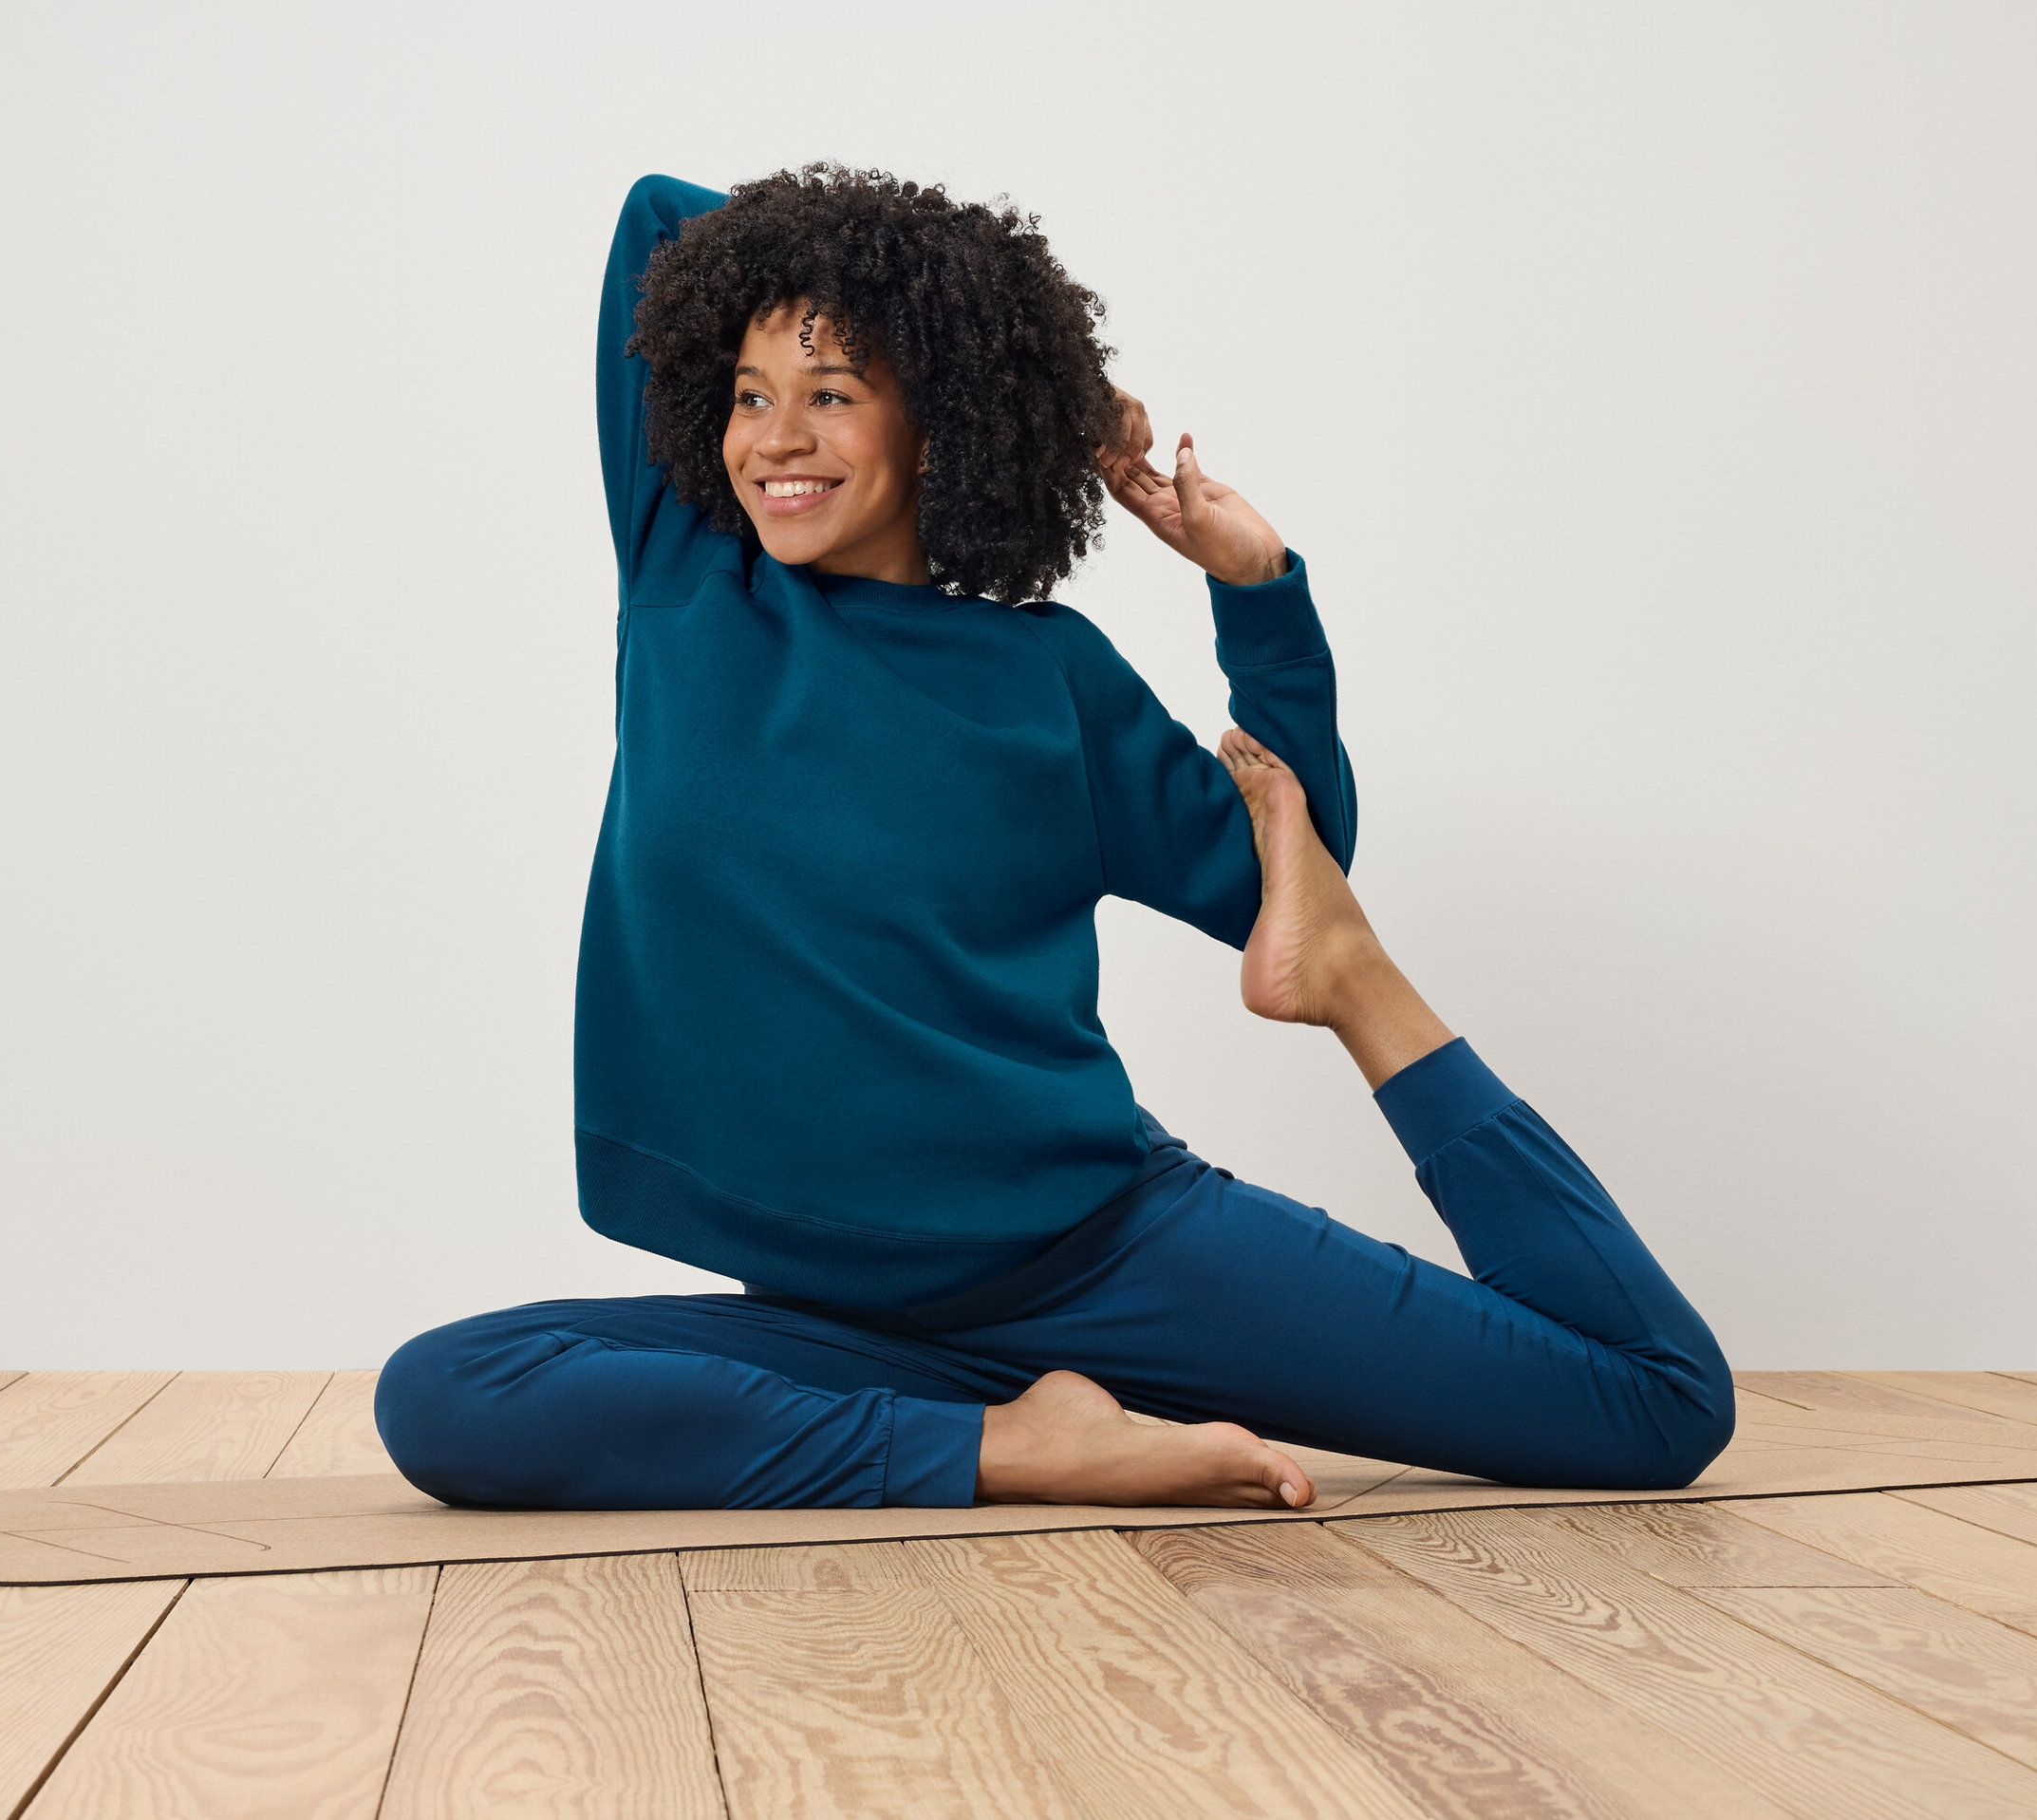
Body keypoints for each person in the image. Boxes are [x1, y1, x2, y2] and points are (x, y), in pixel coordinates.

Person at [373, 166, 1733, 1511]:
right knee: (442, 1392)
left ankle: (1368, 1004)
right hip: (841, 1318)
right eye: (747, 395)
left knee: (1653, 1402)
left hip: (1110, 1260)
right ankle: (1016, 1444)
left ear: (936, 422)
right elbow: (657, 216)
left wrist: (1252, 590)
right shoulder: (687, 582)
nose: (775, 437)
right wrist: (1010, 370)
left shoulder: (1046, 681)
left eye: (832, 393)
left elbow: (1287, 877)